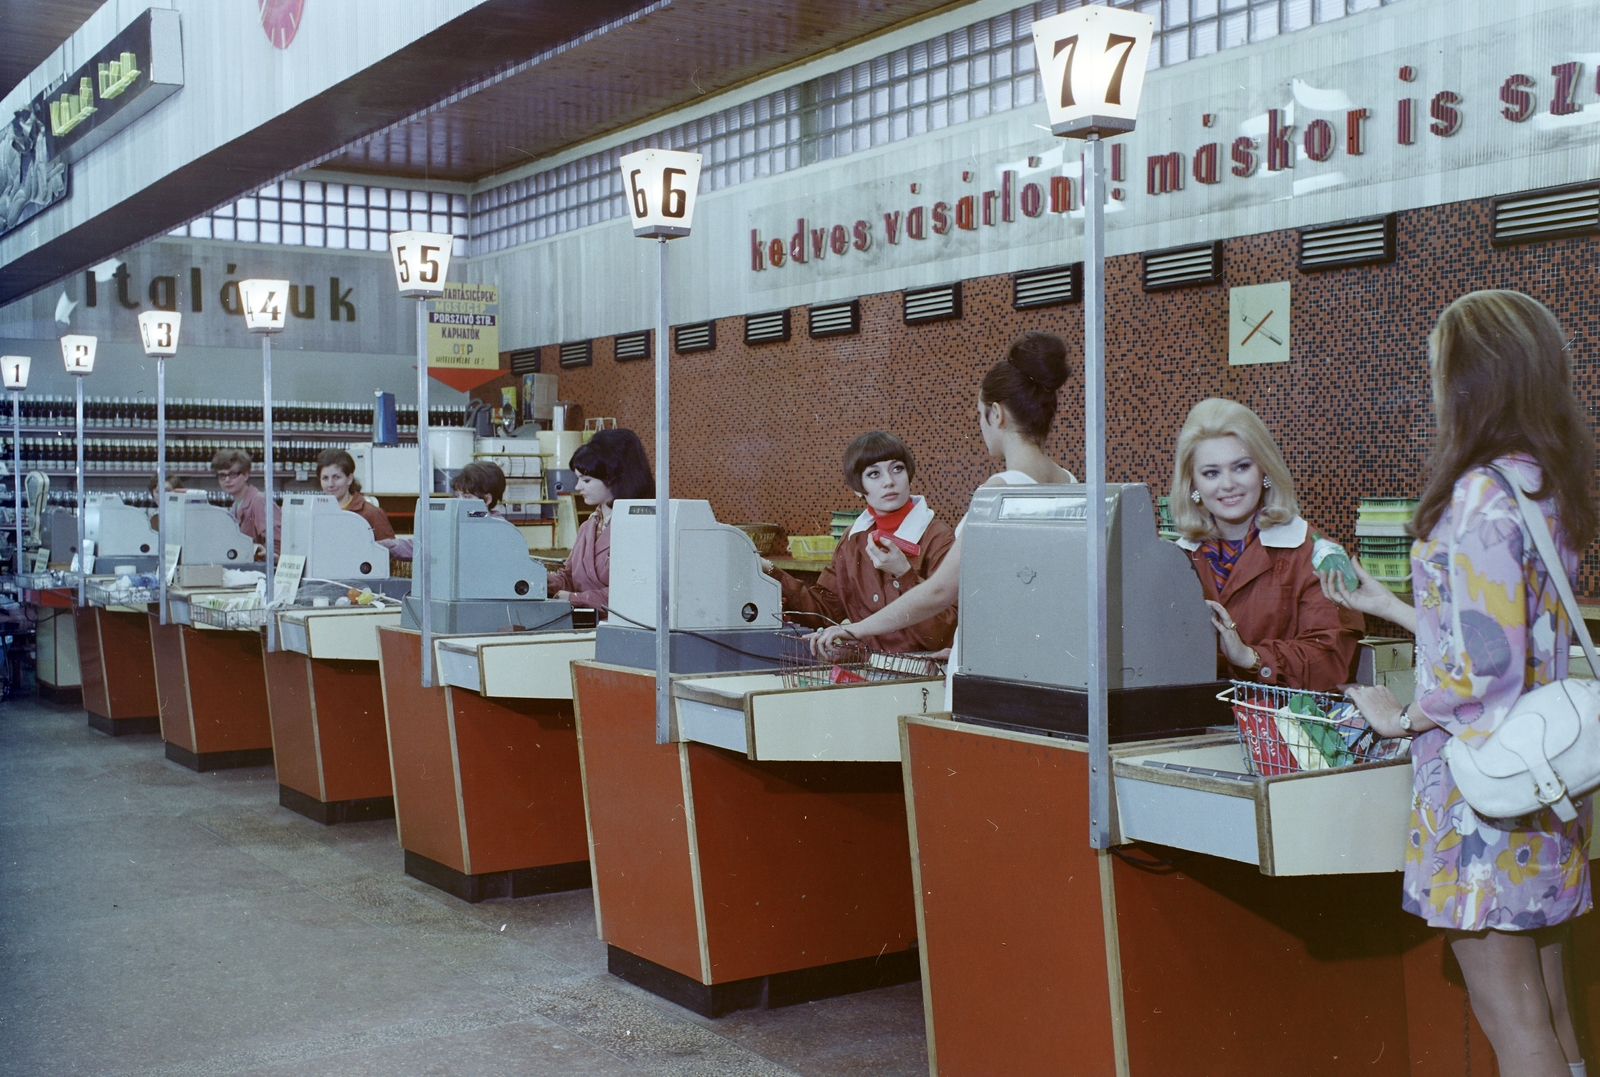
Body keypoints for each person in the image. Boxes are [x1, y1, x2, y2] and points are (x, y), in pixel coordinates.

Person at [1324, 291, 1593, 1077]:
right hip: (1542, 782)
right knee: (1551, 1009)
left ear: (1473, 378)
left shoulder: (1473, 496)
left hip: (1481, 792)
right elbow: (1510, 632)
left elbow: (1483, 669)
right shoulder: (1539, 485)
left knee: (1514, 1023)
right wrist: (1399, 609)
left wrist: (1398, 714)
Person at [811, 332, 1076, 657]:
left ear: (997, 414)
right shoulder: (1069, 482)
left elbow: (938, 593)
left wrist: (853, 628)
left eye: (979, 415)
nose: (981, 425)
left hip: (996, 665)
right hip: (1035, 653)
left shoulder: (999, 490)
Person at [1167, 398, 1362, 691]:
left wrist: (1251, 657)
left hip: (1284, 729)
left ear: (1264, 471)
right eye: (1211, 473)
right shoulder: (1175, 559)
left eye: (1241, 467)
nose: (1228, 484)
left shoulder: (1317, 553)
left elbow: (1332, 660)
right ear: (1192, 484)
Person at [765, 431, 956, 653]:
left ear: (909, 474)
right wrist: (767, 570)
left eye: (897, 469)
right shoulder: (852, 539)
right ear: (857, 488)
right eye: (874, 474)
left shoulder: (939, 537)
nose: (889, 482)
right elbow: (825, 610)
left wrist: (904, 575)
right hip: (871, 672)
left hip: (924, 675)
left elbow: (943, 636)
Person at [547, 428, 654, 611]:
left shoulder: (646, 526)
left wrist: (575, 599)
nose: (577, 487)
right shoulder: (589, 526)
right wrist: (538, 579)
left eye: (586, 480)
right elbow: (570, 578)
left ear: (613, 478)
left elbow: (637, 591)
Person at [379, 460, 509, 561]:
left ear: (487, 499)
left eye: (467, 496)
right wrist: (379, 546)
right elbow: (419, 546)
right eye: (457, 495)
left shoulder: (501, 530)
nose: (459, 501)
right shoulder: (456, 524)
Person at [316, 447, 395, 540]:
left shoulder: (373, 514)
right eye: (325, 478)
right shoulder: (316, 512)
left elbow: (390, 552)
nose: (330, 484)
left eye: (336, 477)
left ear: (349, 479)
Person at [211, 448, 279, 550]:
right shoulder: (235, 505)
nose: (227, 480)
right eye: (222, 475)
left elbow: (278, 543)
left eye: (233, 474)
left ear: (246, 475)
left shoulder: (259, 501)